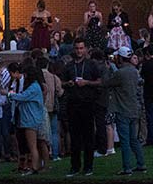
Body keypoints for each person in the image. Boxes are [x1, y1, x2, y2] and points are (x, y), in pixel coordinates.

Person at [102, 45, 147, 176]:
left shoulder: (120, 73)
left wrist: (108, 69)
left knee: (125, 141)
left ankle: (127, 167)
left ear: (121, 58)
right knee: (134, 139)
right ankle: (141, 164)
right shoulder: (134, 71)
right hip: (134, 109)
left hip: (123, 110)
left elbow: (106, 83)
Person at [63, 40, 105, 176]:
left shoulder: (91, 65)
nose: (79, 51)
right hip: (73, 103)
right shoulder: (69, 66)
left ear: (86, 49)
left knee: (88, 136)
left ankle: (88, 166)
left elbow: (99, 81)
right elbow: (62, 82)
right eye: (77, 48)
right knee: (75, 137)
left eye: (81, 48)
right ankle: (75, 166)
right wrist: (68, 83)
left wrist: (86, 82)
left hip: (87, 103)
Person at [10, 63, 48, 174]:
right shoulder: (36, 86)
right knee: (35, 145)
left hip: (30, 119)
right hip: (33, 118)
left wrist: (8, 95)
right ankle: (37, 166)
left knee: (32, 146)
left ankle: (34, 167)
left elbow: (22, 97)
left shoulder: (33, 88)